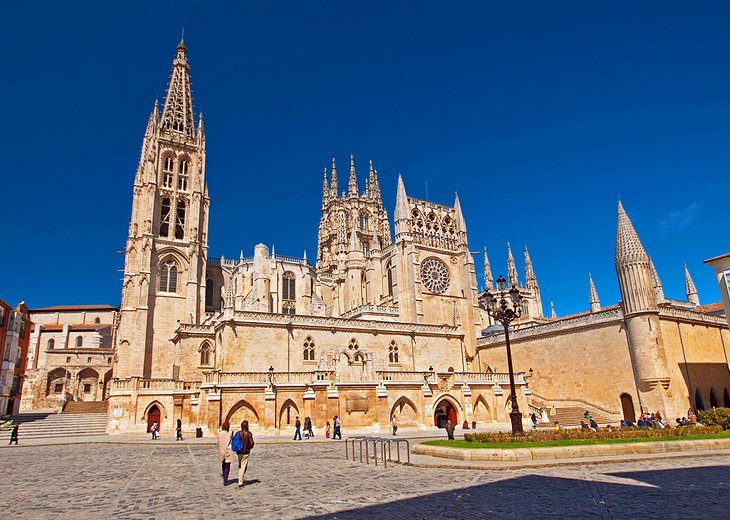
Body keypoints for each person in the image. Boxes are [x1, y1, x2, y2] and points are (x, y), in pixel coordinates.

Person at [236, 420, 254, 487]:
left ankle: (241, 479)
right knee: (243, 466)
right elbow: (251, 443)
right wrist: (250, 446)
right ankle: (240, 481)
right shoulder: (249, 433)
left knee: (240, 465)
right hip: (245, 452)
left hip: (239, 452)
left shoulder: (238, 433)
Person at [217, 421, 234, 486]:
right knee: (227, 465)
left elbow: (218, 443)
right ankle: (225, 480)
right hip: (228, 451)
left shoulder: (219, 434)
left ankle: (224, 478)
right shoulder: (230, 433)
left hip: (221, 450)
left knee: (223, 465)